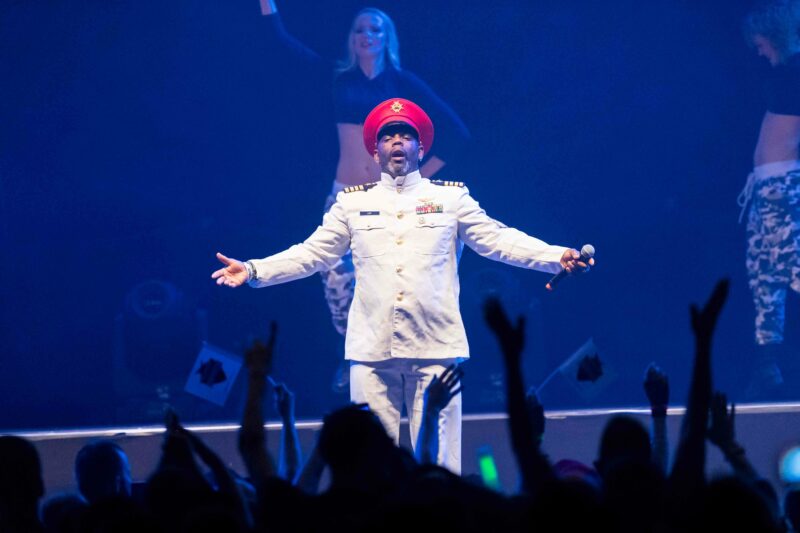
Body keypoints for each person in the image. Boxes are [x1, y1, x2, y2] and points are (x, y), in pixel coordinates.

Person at [212, 97, 593, 473]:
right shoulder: (351, 204)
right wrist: (254, 269)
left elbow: (497, 239)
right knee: (370, 464)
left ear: (420, 148)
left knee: (441, 464)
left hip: (435, 345)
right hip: (372, 349)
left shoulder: (450, 198)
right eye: (388, 136)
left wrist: (556, 256)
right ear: (375, 151)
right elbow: (313, 253)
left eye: (406, 135)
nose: (397, 141)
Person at [258, 0, 470, 353]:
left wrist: (417, 178)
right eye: (359, 29)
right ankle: (355, 355)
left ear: (387, 37)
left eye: (374, 29)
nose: (366, 35)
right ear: (351, 38)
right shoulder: (339, 77)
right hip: (345, 194)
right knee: (337, 283)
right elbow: (281, 43)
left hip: (389, 197)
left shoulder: (402, 82)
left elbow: (458, 134)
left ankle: (400, 355)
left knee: (392, 281)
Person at [738, 0, 800, 397]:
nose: (758, 51)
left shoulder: (797, 71)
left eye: (760, 42)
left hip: (783, 186)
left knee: (791, 264)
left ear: (773, 34)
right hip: (765, 186)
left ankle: (770, 367)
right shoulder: (785, 73)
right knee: (762, 271)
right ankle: (767, 367)